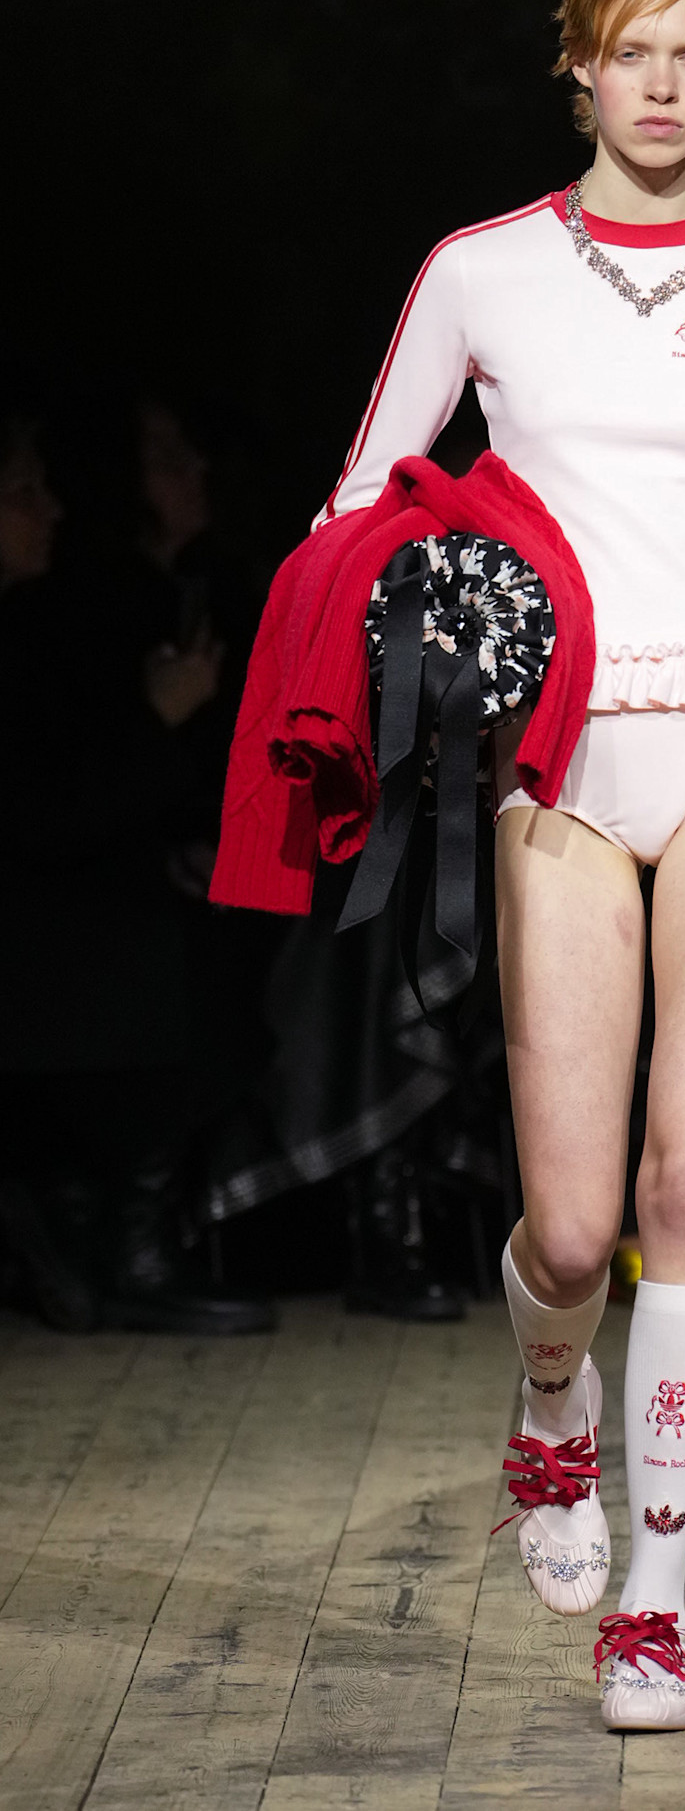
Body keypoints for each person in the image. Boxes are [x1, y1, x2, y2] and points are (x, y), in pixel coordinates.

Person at [316, 0, 685, 1726]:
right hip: (552, 765)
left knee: (682, 1185)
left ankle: (655, 1600)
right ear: (580, 64)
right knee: (567, 1230)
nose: (660, 81)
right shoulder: (482, 273)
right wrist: (430, 605)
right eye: (631, 48)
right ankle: (551, 1407)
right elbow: (360, 512)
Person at [0, 411, 274, 1334]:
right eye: (23, 493)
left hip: (85, 879)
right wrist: (157, 722)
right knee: (164, 957)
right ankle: (122, 1248)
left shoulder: (66, 613)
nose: (51, 511)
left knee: (229, 933)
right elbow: (41, 810)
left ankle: (102, 1238)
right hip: (43, 907)